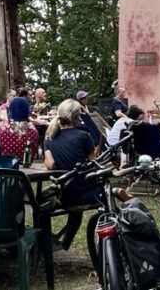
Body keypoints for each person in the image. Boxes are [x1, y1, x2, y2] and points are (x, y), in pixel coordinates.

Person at [43, 99, 99, 250]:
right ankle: (65, 244)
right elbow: (93, 163)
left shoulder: (49, 138)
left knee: (74, 211)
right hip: (86, 192)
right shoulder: (83, 136)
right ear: (76, 117)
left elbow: (50, 164)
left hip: (65, 195)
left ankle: (64, 244)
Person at [0, 96, 39, 164]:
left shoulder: (1, 129)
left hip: (5, 167)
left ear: (11, 109)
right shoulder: (33, 131)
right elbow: (34, 152)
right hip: (25, 167)